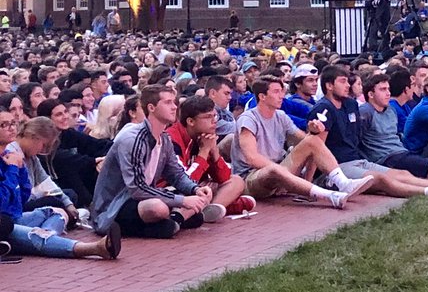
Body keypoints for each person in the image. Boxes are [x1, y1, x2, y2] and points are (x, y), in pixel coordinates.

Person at [310, 66, 428, 196]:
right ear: (329, 86)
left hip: (359, 161)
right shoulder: (324, 109)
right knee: (381, 179)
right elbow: (316, 147)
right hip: (339, 165)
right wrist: (310, 182)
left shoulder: (351, 105)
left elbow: (355, 138)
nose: (348, 85)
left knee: (403, 175)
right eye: (343, 82)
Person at [90, 86, 216, 238]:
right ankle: (174, 220)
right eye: (168, 102)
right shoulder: (132, 139)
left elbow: (176, 174)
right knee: (158, 208)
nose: (174, 107)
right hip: (117, 205)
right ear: (151, 108)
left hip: (145, 197)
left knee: (200, 200)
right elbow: (137, 188)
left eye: (174, 102)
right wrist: (182, 201)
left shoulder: (164, 138)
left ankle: (174, 221)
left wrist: (195, 190)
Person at [230, 76, 374, 208]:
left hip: (278, 172)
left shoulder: (280, 116)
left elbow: (305, 140)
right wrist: (282, 172)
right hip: (250, 178)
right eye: (276, 92)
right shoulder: (248, 119)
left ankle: (343, 183)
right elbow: (252, 158)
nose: (281, 96)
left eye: (282, 91)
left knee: (313, 140)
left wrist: (313, 131)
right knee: (274, 169)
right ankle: (330, 196)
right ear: (262, 96)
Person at [2, 116, 120, 260]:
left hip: (13, 216)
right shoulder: (10, 157)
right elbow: (5, 201)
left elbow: (24, 194)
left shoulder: (15, 156)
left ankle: (45, 238)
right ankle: (91, 248)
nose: (11, 128)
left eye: (12, 123)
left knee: (55, 212)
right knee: (19, 225)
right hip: (5, 220)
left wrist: (19, 170)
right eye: (4, 125)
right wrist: (14, 169)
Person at [164, 95, 255, 220]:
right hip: (170, 190)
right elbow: (183, 181)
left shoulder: (203, 136)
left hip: (197, 188)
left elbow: (224, 178)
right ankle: (214, 208)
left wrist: (214, 152)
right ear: (190, 121)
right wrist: (204, 151)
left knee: (236, 181)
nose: (214, 121)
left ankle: (209, 210)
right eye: (208, 117)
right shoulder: (172, 140)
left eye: (214, 116)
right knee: (209, 192)